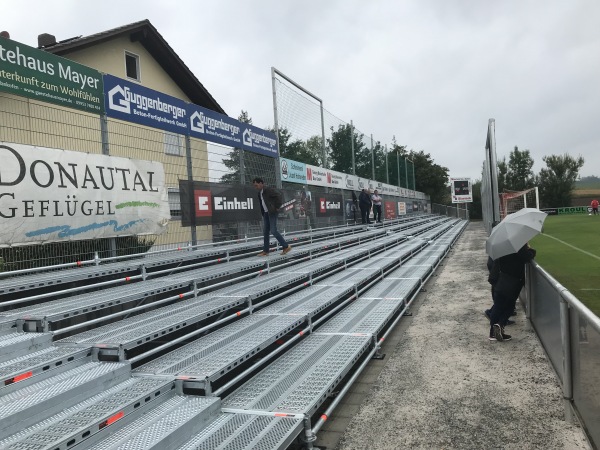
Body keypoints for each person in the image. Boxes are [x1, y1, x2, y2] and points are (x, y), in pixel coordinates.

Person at [488, 243, 536, 341]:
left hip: (499, 279)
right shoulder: (517, 245)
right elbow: (527, 257)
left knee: (498, 306)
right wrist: (531, 250)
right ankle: (500, 324)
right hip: (512, 281)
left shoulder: (501, 246)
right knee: (509, 307)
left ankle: (493, 332)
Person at [252, 177, 292, 256]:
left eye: (256, 185)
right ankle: (266, 251)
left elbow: (279, 196)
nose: (255, 187)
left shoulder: (268, 190)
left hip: (272, 212)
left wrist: (276, 207)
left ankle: (286, 246)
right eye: (254, 186)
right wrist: (263, 213)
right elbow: (262, 204)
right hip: (266, 213)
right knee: (266, 232)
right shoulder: (259, 193)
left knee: (273, 230)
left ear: (261, 183)